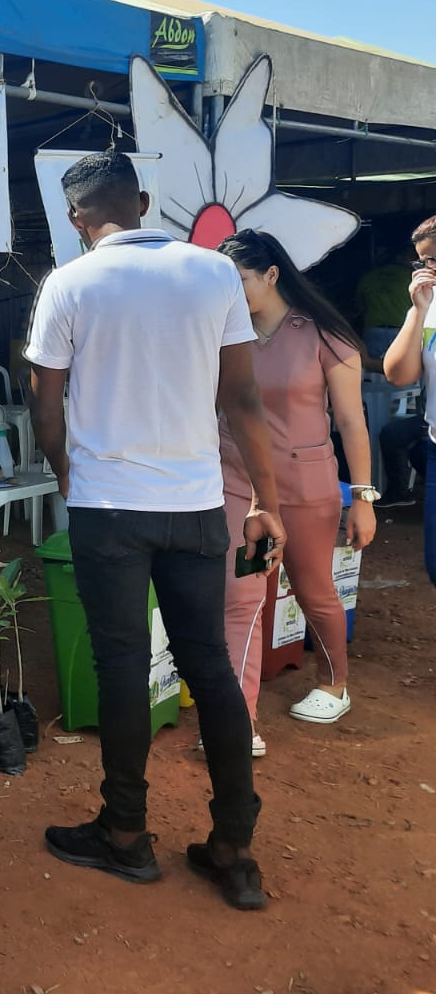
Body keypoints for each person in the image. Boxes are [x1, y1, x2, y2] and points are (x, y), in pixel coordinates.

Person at [25, 150, 284, 912]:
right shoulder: (211, 273)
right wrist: (264, 500)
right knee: (206, 662)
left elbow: (46, 406)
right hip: (198, 504)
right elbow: (242, 398)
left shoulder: (68, 283)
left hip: (109, 507)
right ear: (142, 199)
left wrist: (67, 472)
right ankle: (234, 848)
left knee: (121, 664)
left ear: (78, 219)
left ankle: (127, 836)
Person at [215, 229, 376, 741]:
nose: (229, 291)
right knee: (241, 593)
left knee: (312, 588)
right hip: (237, 481)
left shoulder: (326, 335)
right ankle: (240, 719)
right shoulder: (221, 332)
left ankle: (334, 685)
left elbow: (352, 422)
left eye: (238, 280)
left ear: (271, 275)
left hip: (305, 485)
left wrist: (364, 497)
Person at [379, 214, 436, 588]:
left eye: (433, 260)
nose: (427, 270)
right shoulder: (428, 305)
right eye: (423, 261)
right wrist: (417, 311)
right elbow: (398, 374)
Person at [356, 250, 415, 361]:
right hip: (402, 331)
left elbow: (359, 306)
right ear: (399, 257)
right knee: (403, 371)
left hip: (373, 331)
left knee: (372, 372)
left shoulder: (369, 276)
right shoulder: (411, 276)